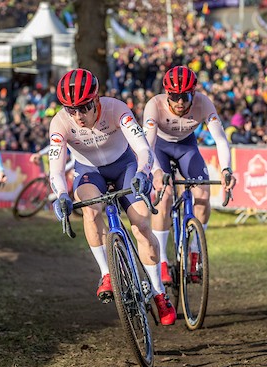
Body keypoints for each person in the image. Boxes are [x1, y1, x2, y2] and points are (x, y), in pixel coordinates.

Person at [48, 68, 176, 325]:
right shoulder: (60, 123)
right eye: (70, 109)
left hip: (125, 166)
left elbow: (142, 149)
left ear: (95, 100)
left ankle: (159, 293)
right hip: (89, 171)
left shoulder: (116, 109)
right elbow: (56, 170)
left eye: (83, 107)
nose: (77, 115)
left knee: (140, 224)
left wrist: (142, 172)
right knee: (91, 210)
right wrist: (61, 194)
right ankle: (107, 273)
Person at [143, 66, 234, 286]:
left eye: (185, 96)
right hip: (160, 149)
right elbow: (148, 145)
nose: (180, 102)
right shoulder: (154, 105)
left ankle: (194, 252)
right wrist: (155, 172)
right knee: (163, 198)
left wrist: (226, 169)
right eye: (174, 96)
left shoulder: (204, 103)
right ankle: (162, 260)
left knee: (202, 197)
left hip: (187, 147)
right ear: (167, 94)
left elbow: (220, 139)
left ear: (193, 93)